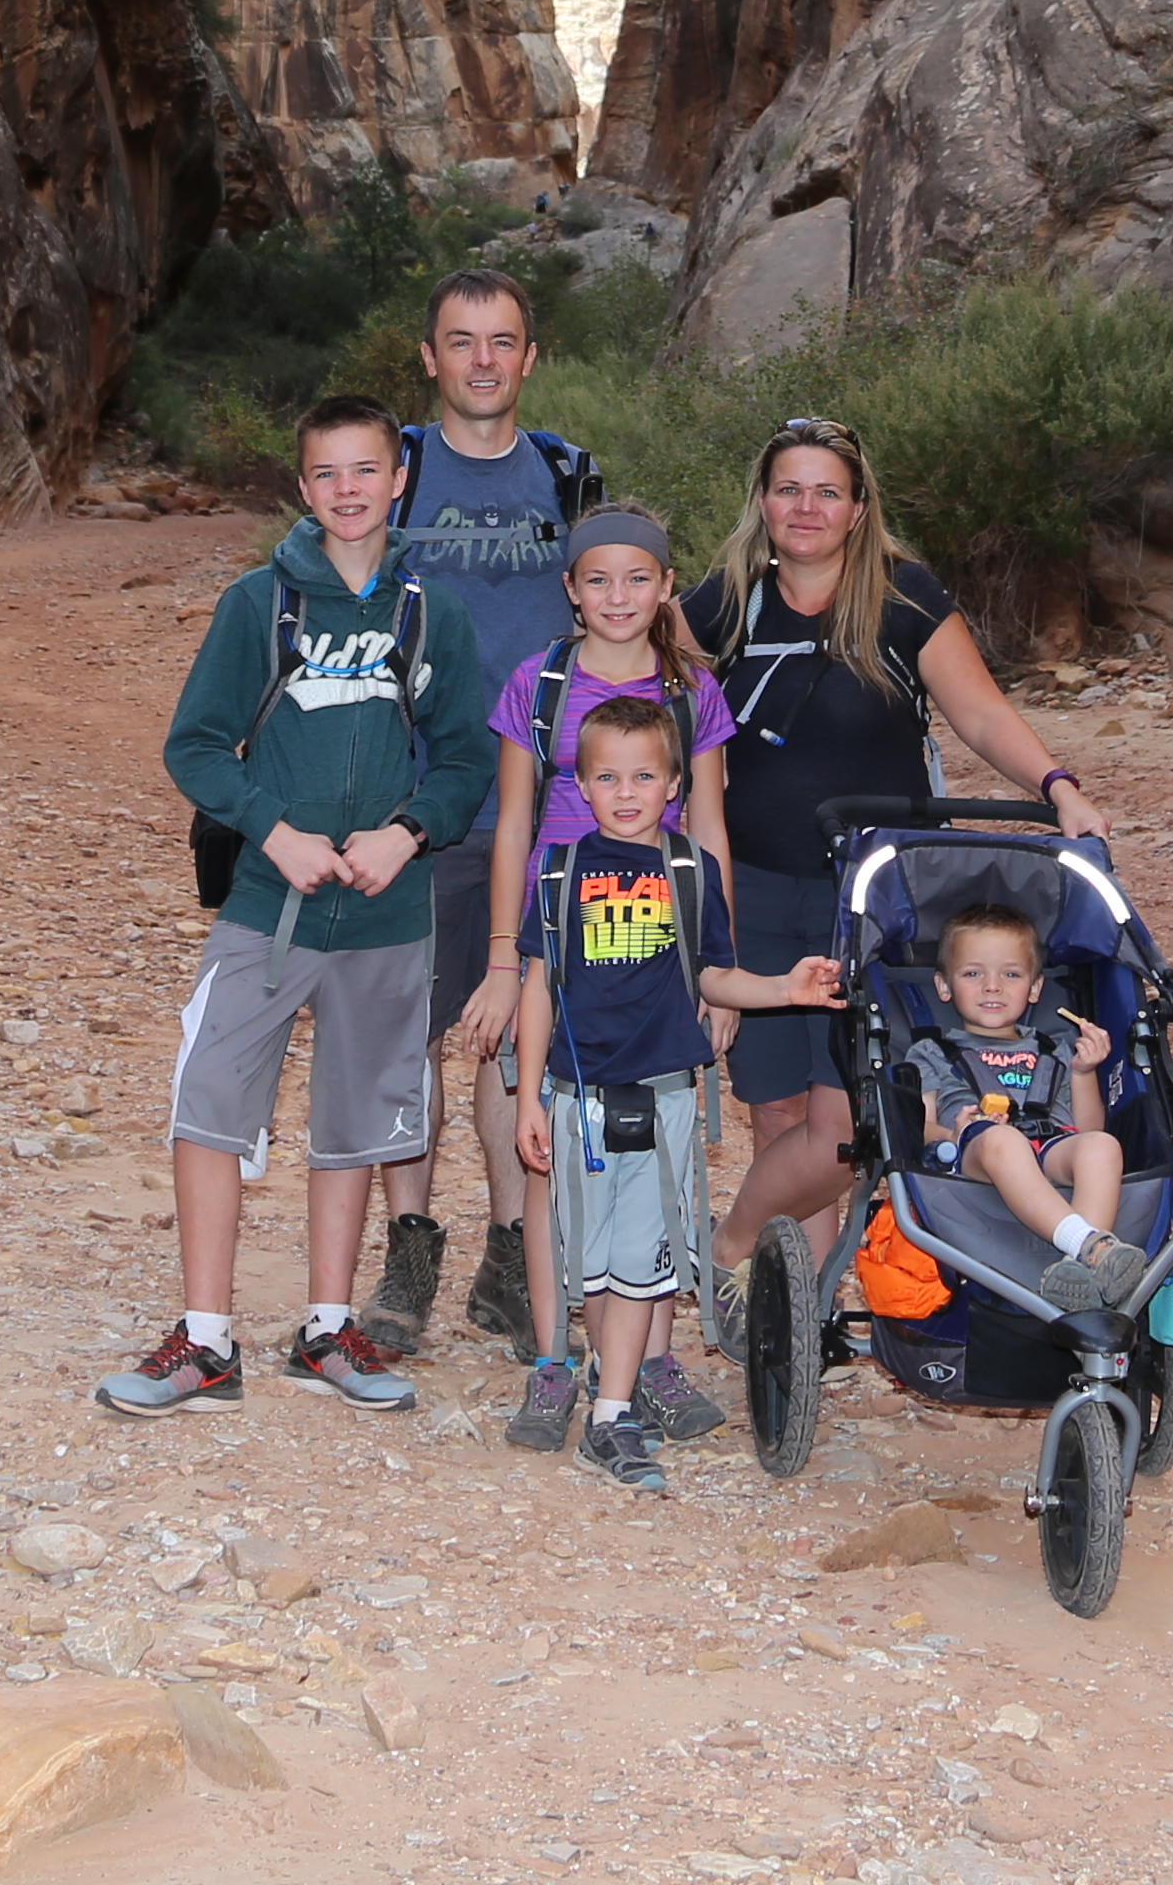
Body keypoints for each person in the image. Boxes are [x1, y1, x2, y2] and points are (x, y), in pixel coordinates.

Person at [103, 394, 489, 1419]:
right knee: (209, 1106)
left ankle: (328, 1328)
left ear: (400, 476)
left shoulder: (429, 613)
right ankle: (204, 1338)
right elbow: (194, 745)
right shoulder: (258, 605)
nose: (348, 491)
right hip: (266, 909)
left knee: (356, 1126)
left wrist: (407, 832)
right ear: (303, 485)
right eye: (327, 474)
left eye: (367, 471)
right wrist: (272, 828)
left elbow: (465, 757)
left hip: (386, 916)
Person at [682, 414, 1110, 1307]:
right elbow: (649, 715)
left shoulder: (903, 597)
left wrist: (1059, 785)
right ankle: (797, 1312)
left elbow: (981, 715)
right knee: (776, 1111)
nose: (806, 507)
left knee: (846, 1123)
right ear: (762, 501)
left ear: (858, 506)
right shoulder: (718, 604)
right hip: (752, 885)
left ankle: (725, 1247)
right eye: (789, 489)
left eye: (826, 491)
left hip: (871, 892)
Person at [498, 694, 839, 1489]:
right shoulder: (558, 872)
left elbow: (713, 975)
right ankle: (577, 1381)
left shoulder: (690, 871)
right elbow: (540, 985)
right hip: (577, 1097)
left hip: (663, 1096)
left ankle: (611, 1415)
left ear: (676, 782)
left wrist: (785, 987)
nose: (626, 792)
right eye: (608, 776)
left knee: (641, 1265)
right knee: (587, 1257)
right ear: (580, 785)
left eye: (644, 775)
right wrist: (526, 1101)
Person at [450, 507, 737, 1439]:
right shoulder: (539, 685)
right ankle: (552, 1359)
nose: (619, 599)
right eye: (598, 581)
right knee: (551, 1167)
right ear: (570, 588)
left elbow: (710, 831)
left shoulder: (692, 688)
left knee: (659, 1161)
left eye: (639, 580)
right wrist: (504, 962)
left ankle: (650, 1360)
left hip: (658, 956)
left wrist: (713, 967)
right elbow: (516, 833)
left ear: (665, 586)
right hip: (558, 949)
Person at [367, 268, 601, 1361]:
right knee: (407, 1042)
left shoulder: (565, 474)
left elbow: (617, 602)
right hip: (415, 802)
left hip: (546, 806)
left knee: (520, 1048)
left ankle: (516, 1260)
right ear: (429, 356)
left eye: (502, 341)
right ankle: (409, 1253)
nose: (482, 361)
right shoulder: (394, 470)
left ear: (529, 357)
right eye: (460, 341)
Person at [908, 905, 1145, 1306]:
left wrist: (1084, 1072)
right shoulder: (931, 1051)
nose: (992, 986)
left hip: (1050, 1145)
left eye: (1011, 974)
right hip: (976, 1153)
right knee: (1002, 1139)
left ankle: (1082, 1271)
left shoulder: (1055, 1050)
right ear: (944, 985)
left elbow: (1087, 1130)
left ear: (1035, 988)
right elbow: (918, 1125)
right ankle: (1090, 1248)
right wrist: (952, 1132)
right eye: (972, 973)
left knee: (1103, 1146)